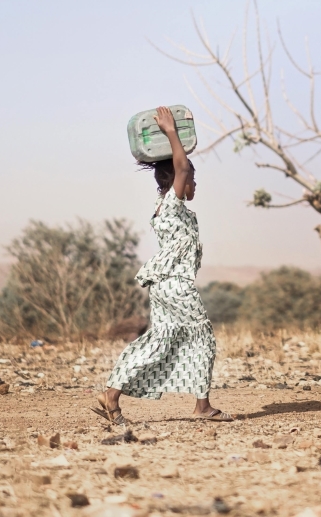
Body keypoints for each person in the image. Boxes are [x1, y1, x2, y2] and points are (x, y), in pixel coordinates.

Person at [94, 106, 232, 424]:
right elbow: (182, 168)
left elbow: (180, 169)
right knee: (201, 336)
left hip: (163, 284)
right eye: (191, 179)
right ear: (178, 180)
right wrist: (171, 131)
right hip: (175, 282)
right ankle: (202, 407)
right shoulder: (172, 200)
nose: (193, 185)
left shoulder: (161, 205)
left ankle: (111, 396)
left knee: (161, 339)